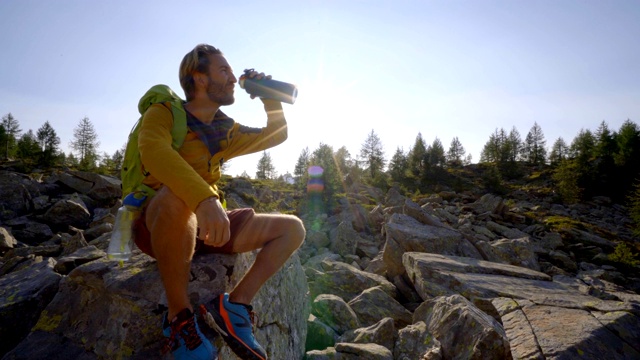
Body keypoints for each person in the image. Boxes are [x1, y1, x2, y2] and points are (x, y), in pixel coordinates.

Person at [131, 44, 306, 360]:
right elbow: (155, 153)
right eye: (223, 70)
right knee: (175, 197)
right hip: (159, 223)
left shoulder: (225, 130)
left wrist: (269, 97)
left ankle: (235, 307)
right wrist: (204, 200)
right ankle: (178, 319)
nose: (231, 78)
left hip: (205, 225)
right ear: (199, 78)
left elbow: (276, 135)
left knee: (292, 229)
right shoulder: (165, 113)